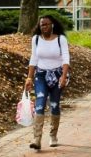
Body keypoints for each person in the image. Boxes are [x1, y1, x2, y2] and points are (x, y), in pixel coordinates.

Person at [24, 15, 71, 150]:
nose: (44, 27)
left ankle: (53, 135)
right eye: (42, 25)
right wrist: (29, 78)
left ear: (52, 25)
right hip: (41, 75)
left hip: (57, 75)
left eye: (46, 24)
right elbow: (33, 58)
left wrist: (63, 75)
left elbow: (66, 58)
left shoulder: (60, 39)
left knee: (54, 105)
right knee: (40, 102)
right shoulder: (36, 39)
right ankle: (37, 139)